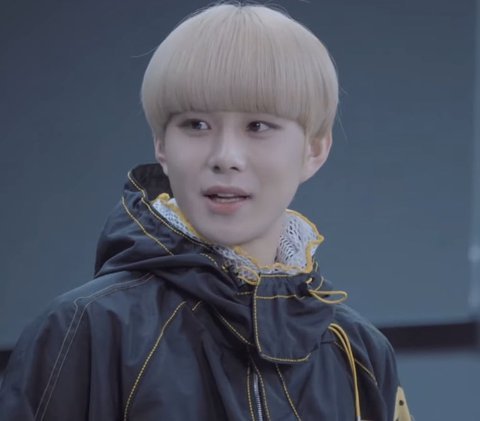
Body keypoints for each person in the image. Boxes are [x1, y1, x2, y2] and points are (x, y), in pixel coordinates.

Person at [0, 3, 412, 420]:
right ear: (162, 145)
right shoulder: (86, 330)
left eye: (258, 126)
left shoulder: (359, 351)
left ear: (315, 150)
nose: (225, 157)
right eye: (196, 124)